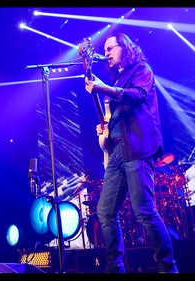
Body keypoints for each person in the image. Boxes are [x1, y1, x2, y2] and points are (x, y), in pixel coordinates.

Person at [84, 33, 178, 273]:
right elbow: (116, 115)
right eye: (103, 49)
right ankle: (115, 268)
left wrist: (106, 88)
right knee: (105, 212)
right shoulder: (118, 77)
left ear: (123, 48)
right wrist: (105, 124)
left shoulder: (141, 69)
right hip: (117, 150)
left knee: (145, 211)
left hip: (138, 147)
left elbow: (138, 95)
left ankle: (168, 267)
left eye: (109, 48)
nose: (105, 53)